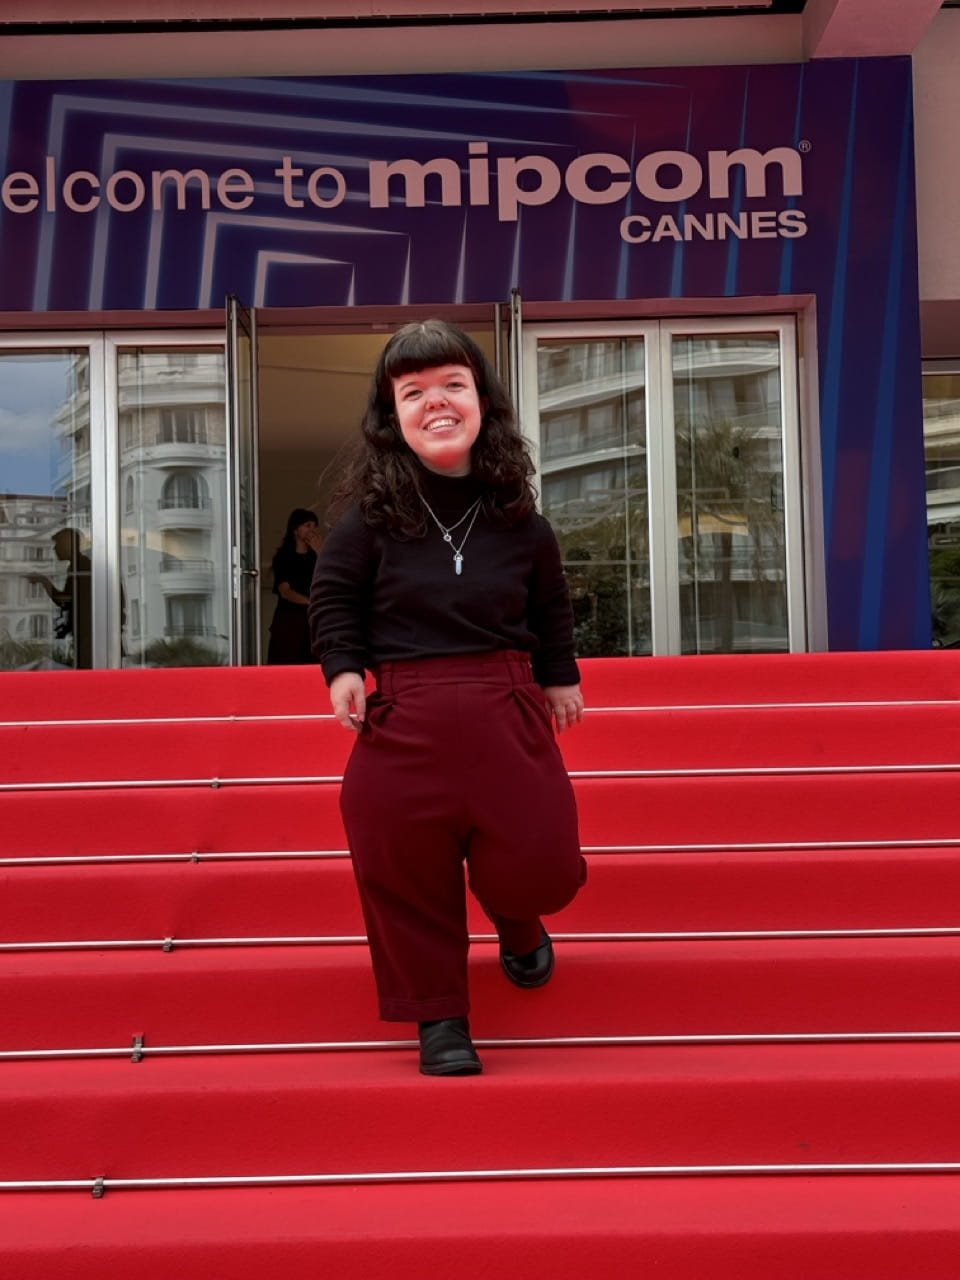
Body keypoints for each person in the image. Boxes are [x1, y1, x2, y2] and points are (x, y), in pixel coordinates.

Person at [308, 320, 587, 1077]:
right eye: (413, 391)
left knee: (546, 861)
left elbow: (550, 604)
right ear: (391, 416)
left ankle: (518, 919)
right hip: (402, 710)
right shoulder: (370, 521)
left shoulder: (521, 522)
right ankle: (440, 1018)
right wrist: (343, 668)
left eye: (452, 386)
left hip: (506, 702)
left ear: (483, 402)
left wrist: (560, 674)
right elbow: (332, 598)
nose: (435, 402)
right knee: (402, 867)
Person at [27, 527, 92, 668]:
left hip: (89, 641)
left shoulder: (81, 568)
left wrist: (43, 580)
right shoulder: (79, 566)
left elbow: (65, 600)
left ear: (68, 545)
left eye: (57, 545)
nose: (54, 549)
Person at [266, 508, 322, 664]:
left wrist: (321, 552)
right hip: (290, 619)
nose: (312, 530)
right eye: (307, 525)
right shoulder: (284, 557)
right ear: (295, 530)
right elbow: (285, 591)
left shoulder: (316, 556)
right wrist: (309, 602)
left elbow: (331, 579)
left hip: (313, 619)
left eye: (314, 526)